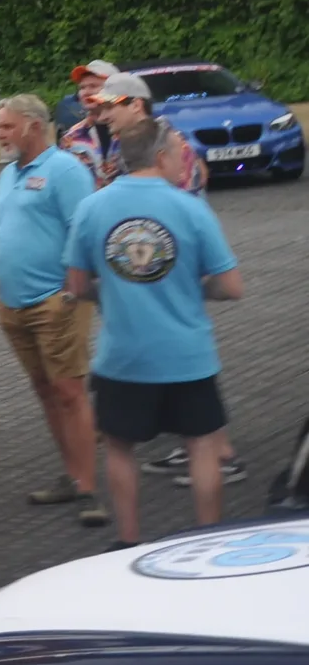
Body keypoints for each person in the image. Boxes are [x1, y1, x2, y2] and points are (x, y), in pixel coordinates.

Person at [65, 115, 245, 547]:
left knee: (121, 447)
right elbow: (231, 287)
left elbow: (74, 287)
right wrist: (195, 287)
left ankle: (128, 540)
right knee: (202, 446)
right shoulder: (190, 208)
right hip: (187, 355)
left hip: (124, 356)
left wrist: (109, 290)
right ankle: (208, 537)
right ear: (162, 157)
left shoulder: (92, 207)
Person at [0, 94, 107, 526]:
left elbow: (84, 230)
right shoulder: (7, 174)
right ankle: (72, 476)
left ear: (34, 126)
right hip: (13, 304)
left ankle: (86, 486)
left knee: (69, 393)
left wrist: (68, 291)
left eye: (7, 126)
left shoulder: (64, 170)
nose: (0, 134)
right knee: (46, 392)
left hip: (55, 302)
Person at [86, 71, 210, 195]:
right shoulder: (118, 142)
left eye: (109, 108)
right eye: (101, 109)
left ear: (136, 105)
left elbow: (184, 202)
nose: (102, 117)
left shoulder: (170, 143)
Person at [57, 58, 123, 178]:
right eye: (82, 88)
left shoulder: (134, 131)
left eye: (93, 86)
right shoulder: (71, 137)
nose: (86, 92)